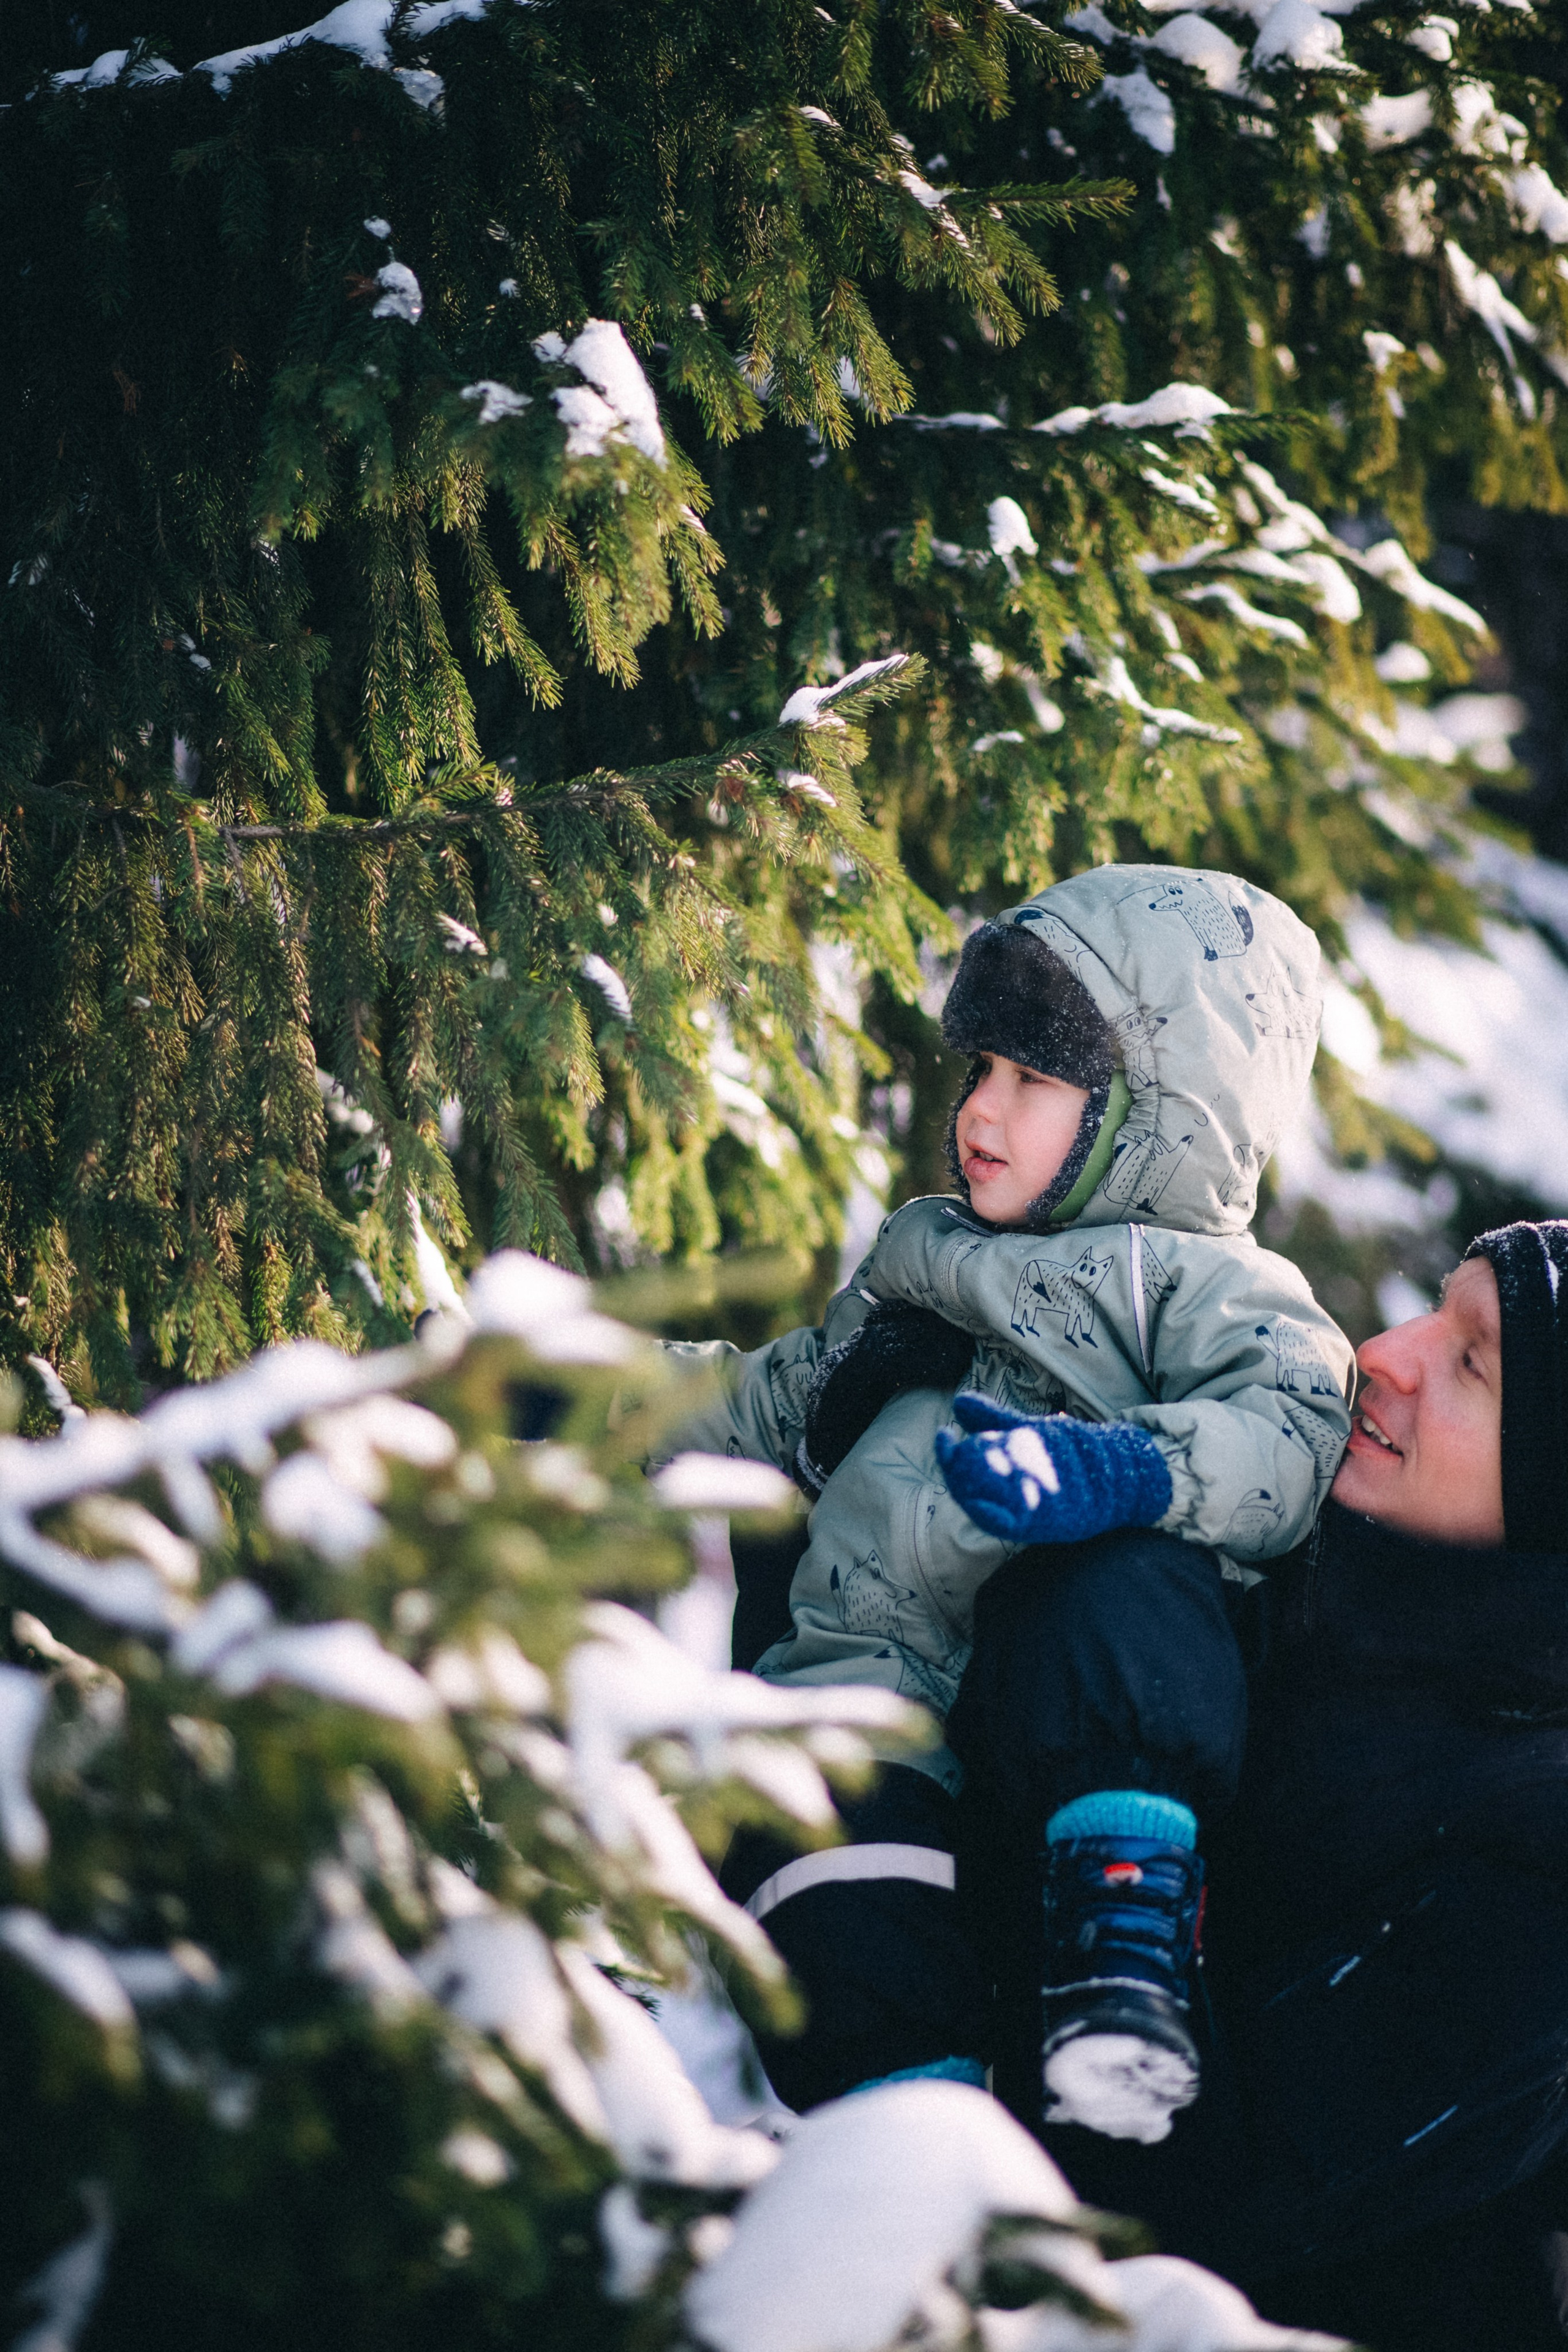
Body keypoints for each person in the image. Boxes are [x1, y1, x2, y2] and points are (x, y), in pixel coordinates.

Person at [679, 863, 1352, 2144]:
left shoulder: (1201, 1284)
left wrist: (1126, 1469)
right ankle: (916, 2158)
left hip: (1058, 1700)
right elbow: (764, 1401)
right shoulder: (923, 1263)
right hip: (861, 1686)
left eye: (1031, 1081)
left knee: (1127, 1604)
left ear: (1152, 1109)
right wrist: (566, 1395)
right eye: (979, 1067)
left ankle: (1121, 1950)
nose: (981, 1110)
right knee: (834, 1922)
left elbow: (1290, 1428)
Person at [946, 1220, 1568, 2351]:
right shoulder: (1260, 1569)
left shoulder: (1540, 1880)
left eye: (1471, 1362)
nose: (1384, 1352)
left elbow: (1177, 2213)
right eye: (1435, 1307)